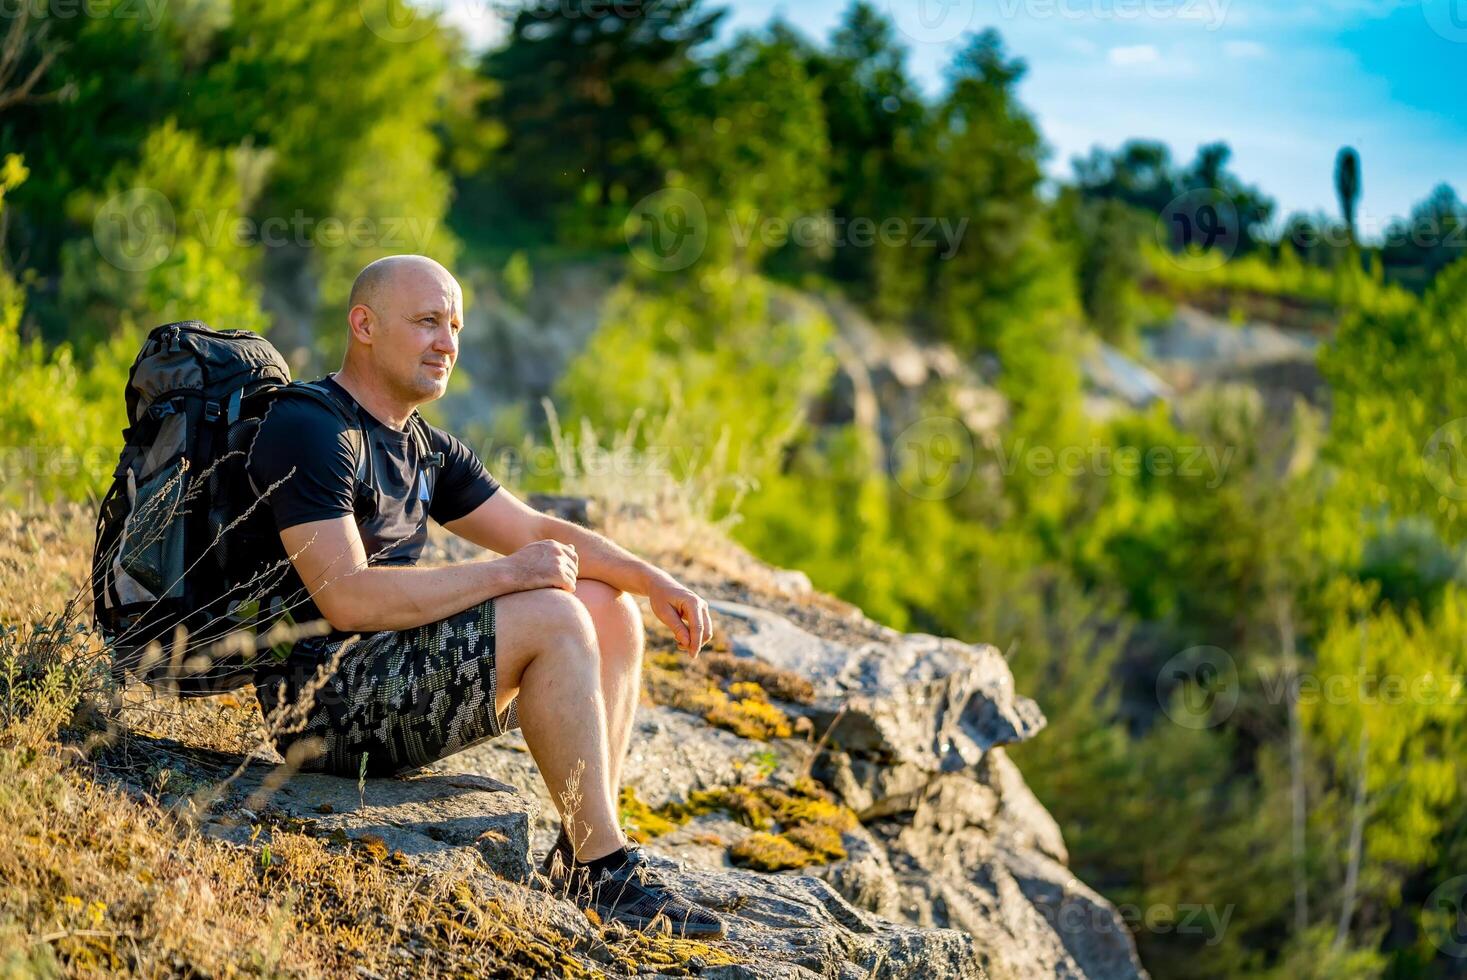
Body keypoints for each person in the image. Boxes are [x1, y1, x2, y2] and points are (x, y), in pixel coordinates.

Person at [244, 254, 724, 938]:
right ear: (364, 325)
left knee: (604, 604)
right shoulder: (313, 428)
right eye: (427, 322)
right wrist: (506, 575)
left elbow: (532, 528)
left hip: (391, 679)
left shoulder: (425, 447)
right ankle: (608, 869)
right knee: (553, 614)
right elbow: (345, 598)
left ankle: (585, 854)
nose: (447, 342)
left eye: (455, 325)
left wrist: (651, 580)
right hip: (322, 713)